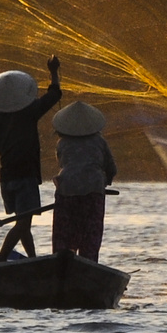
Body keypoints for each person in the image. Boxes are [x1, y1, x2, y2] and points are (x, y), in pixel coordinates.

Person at [0, 55, 62, 262]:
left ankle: (32, 259)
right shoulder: (27, 112)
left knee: (22, 220)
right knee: (23, 223)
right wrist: (53, 71)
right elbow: (54, 95)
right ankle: (1, 258)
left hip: (7, 175)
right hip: (25, 175)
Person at [50, 101, 118, 262]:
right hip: (93, 190)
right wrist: (105, 182)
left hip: (67, 188)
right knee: (90, 234)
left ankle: (63, 262)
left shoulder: (62, 142)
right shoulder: (99, 141)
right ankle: (87, 263)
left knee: (65, 234)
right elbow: (111, 168)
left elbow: (63, 163)